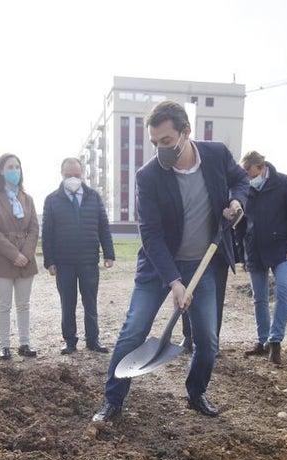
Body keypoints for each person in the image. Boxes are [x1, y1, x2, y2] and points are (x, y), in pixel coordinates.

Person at [92, 100, 248, 422]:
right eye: (154, 143)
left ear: (185, 132)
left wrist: (236, 201)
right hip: (159, 266)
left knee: (207, 340)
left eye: (165, 142)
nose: (160, 149)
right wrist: (174, 282)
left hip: (204, 263)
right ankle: (113, 400)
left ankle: (196, 392)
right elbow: (151, 234)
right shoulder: (148, 176)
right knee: (134, 330)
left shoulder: (216, 154)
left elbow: (241, 180)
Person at [41, 157, 116, 355]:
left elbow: (103, 227)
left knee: (90, 302)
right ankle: (70, 341)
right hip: (64, 262)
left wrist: (109, 253)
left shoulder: (94, 197)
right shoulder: (52, 200)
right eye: (68, 175)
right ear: (61, 175)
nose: (73, 179)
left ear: (82, 175)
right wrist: (49, 261)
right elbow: (47, 233)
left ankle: (93, 340)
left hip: (89, 261)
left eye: (76, 175)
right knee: (68, 303)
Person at [238, 151, 287, 366]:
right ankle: (262, 340)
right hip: (254, 248)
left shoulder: (283, 183)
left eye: (251, 172)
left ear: (262, 166)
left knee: (284, 290)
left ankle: (275, 342)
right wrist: (244, 255)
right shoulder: (246, 188)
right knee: (259, 297)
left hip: (280, 248)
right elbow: (241, 224)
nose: (249, 177)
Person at [0, 153, 40, 360]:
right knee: (3, 305)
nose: (15, 171)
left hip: (26, 258)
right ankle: (4, 346)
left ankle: (24, 343)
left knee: (24, 304)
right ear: (1, 170)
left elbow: (34, 228)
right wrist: (13, 254)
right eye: (10, 167)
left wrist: (25, 254)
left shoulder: (28, 198)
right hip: (1, 258)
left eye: (17, 167)